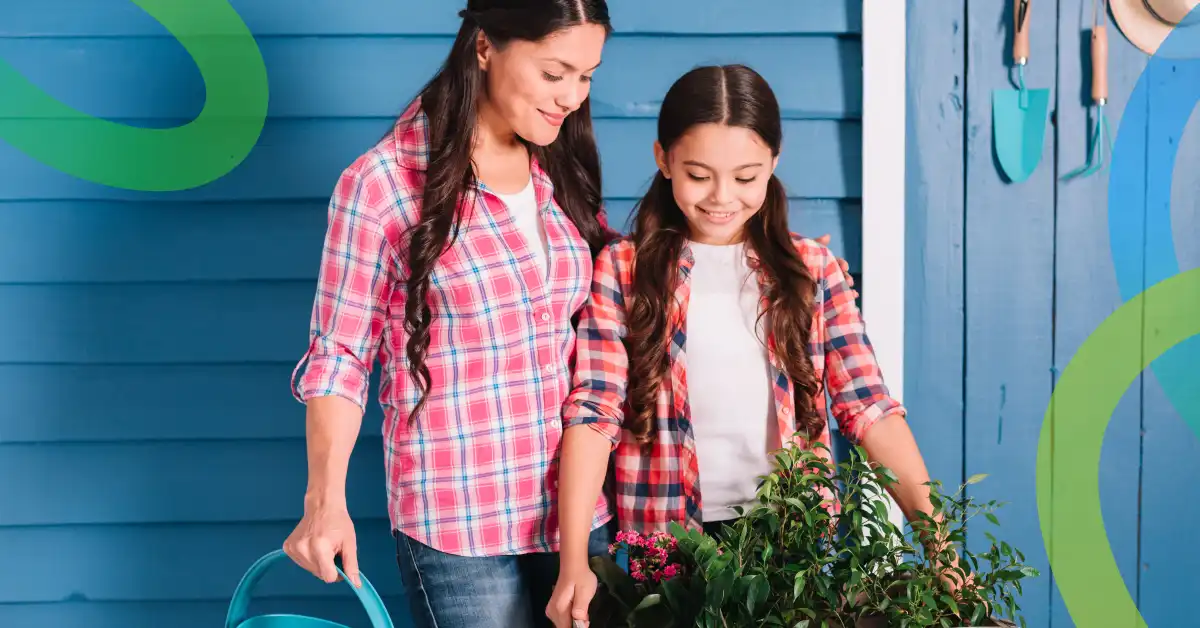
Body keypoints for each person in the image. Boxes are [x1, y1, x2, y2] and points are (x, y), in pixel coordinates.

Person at [282, 3, 854, 625]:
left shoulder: (556, 160)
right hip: (458, 519)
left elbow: (624, 272)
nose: (571, 97)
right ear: (484, 47)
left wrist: (780, 263)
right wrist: (324, 500)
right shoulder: (382, 184)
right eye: (555, 73)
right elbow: (340, 355)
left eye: (586, 76)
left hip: (578, 513)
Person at [547, 64, 944, 628]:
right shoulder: (624, 269)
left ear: (774, 163)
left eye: (745, 176)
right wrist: (573, 563)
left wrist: (939, 546)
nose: (722, 197)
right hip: (665, 549)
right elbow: (594, 412)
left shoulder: (813, 270)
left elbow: (868, 406)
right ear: (663, 159)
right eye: (699, 174)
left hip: (788, 545)